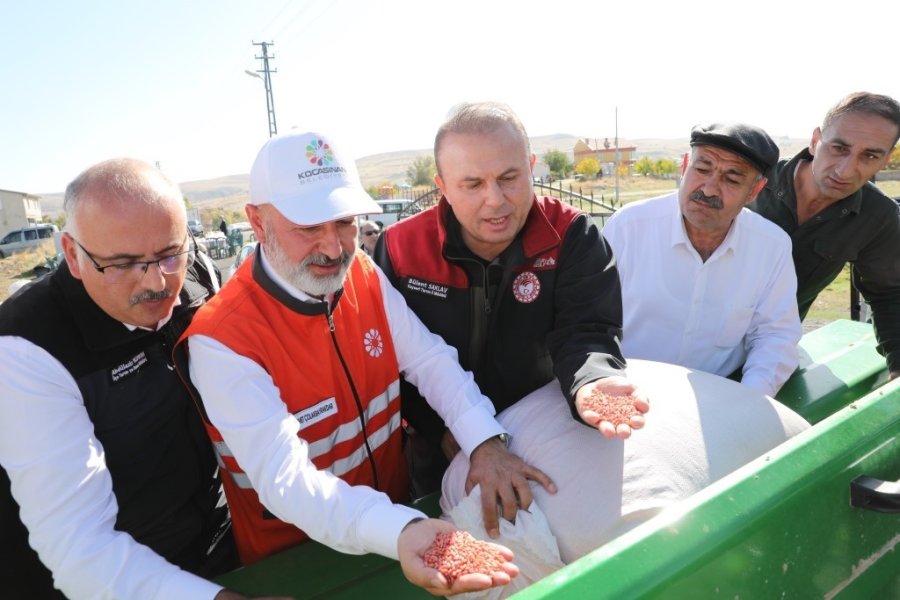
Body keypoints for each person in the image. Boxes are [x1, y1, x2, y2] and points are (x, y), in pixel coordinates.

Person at [178, 129, 533, 595]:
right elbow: (286, 481)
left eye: (345, 222)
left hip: (399, 526)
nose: (333, 247)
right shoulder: (220, 338)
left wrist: (484, 442)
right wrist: (398, 529)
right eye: (308, 228)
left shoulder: (362, 272)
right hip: (295, 567)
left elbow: (428, 360)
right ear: (258, 223)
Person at [0, 159, 278, 600]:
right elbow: (80, 548)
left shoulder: (194, 278)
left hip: (222, 549)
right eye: (124, 264)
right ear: (72, 254)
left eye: (170, 253)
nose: (157, 281)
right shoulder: (26, 348)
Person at [373, 101, 648, 497]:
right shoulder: (400, 248)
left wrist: (593, 381)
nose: (496, 199)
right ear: (442, 186)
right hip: (435, 449)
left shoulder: (572, 236)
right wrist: (443, 430)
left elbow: (587, 332)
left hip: (540, 437)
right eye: (472, 184)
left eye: (509, 177)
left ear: (531, 166)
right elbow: (393, 359)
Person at [602, 123, 802, 397]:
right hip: (624, 388)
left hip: (718, 396)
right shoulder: (628, 227)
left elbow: (775, 336)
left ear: (754, 191)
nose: (708, 190)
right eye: (702, 169)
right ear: (685, 165)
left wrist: (750, 400)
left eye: (732, 179)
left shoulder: (771, 246)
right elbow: (587, 319)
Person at [748, 92, 900, 381]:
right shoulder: (751, 179)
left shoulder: (877, 215)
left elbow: (888, 294)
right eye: (839, 148)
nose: (845, 170)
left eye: (869, 155)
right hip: (689, 342)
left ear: (886, 160)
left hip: (773, 357)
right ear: (816, 140)